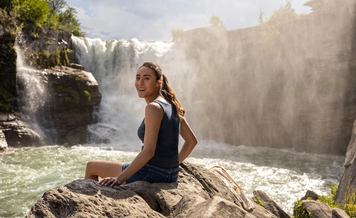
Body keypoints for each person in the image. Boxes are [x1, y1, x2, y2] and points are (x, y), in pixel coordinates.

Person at [85, 62, 198, 187]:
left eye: (146, 78)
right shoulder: (171, 105)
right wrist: (174, 166)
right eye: (138, 78)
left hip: (152, 173)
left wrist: (120, 178)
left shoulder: (153, 107)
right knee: (119, 165)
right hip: (170, 174)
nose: (140, 83)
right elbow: (192, 141)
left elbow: (149, 151)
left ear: (158, 83)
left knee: (91, 167)